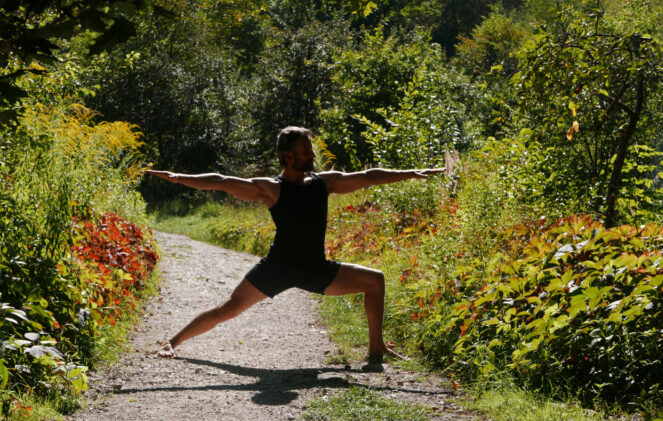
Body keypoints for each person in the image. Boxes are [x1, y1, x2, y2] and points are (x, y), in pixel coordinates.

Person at [146, 126, 445, 367]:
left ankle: (376, 348)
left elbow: (367, 177)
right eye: (305, 150)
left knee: (375, 280)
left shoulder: (324, 183)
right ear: (288, 156)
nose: (312, 154)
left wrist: (411, 173)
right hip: (277, 268)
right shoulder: (271, 189)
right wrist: (178, 178)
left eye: (310, 149)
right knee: (229, 308)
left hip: (316, 269)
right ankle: (172, 342)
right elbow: (222, 181)